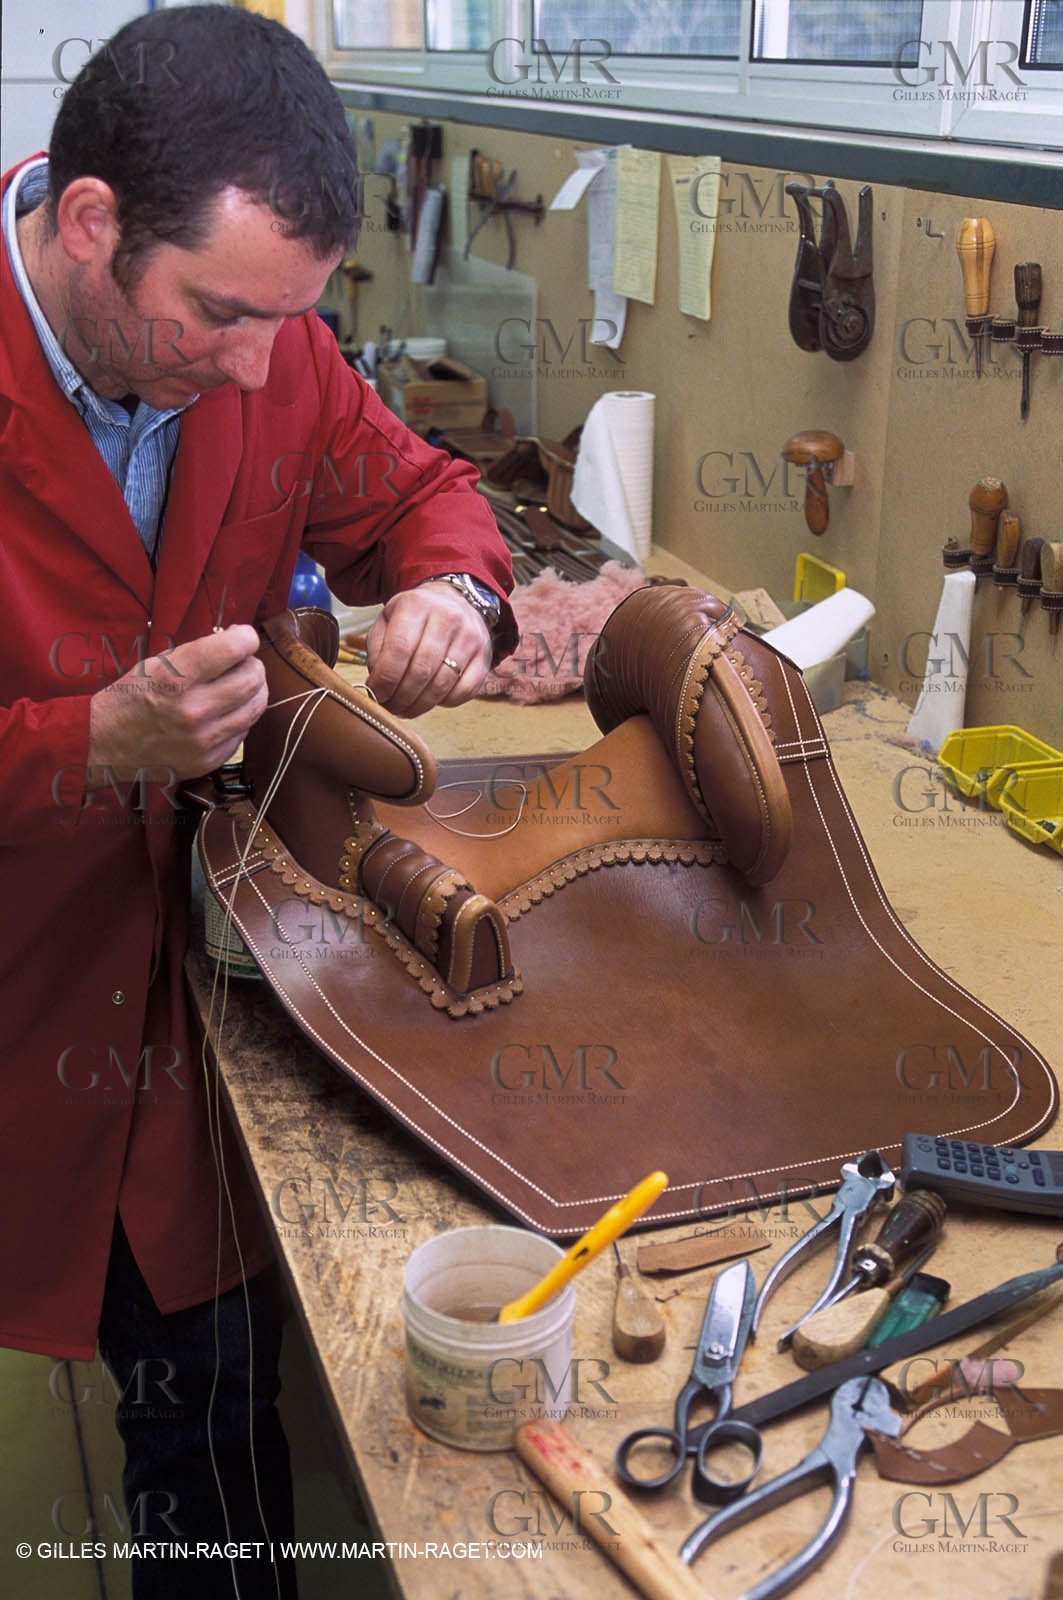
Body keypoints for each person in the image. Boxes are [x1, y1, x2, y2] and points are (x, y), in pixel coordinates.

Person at [0, 6, 515, 1596]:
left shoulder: (270, 347)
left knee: (208, 1427)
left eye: (282, 329)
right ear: (92, 224)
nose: (252, 369)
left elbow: (424, 493)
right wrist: (87, 742)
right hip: (25, 994)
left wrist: (456, 597)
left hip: (208, 987)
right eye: (220, 316)